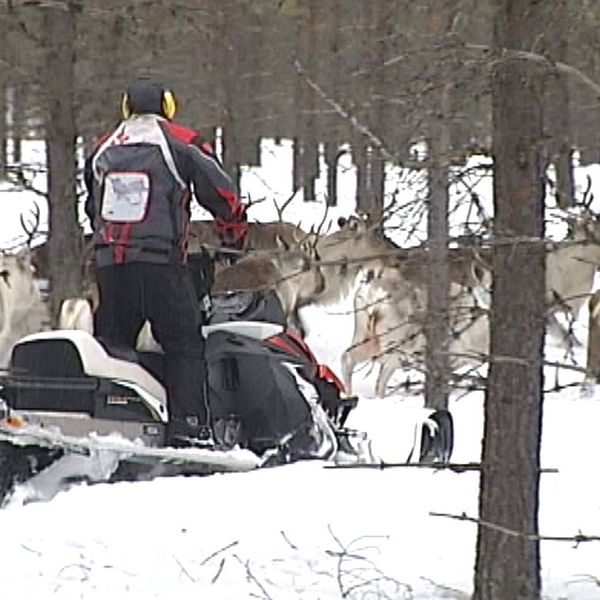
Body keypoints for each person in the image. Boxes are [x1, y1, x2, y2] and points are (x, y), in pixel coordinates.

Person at [84, 78, 247, 446]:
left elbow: (92, 205)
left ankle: (111, 423)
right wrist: (233, 236)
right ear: (168, 106)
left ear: (126, 107)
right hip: (160, 265)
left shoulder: (103, 147)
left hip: (110, 266)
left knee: (113, 347)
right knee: (184, 345)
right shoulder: (180, 142)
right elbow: (223, 193)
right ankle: (190, 431)